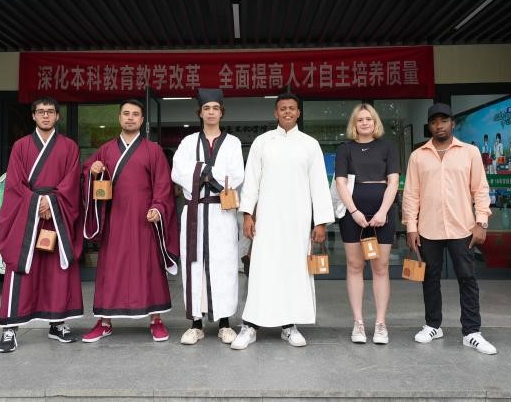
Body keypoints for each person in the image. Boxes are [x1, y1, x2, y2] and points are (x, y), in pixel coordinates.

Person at [231, 92, 334, 350]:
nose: (287, 112)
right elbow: (251, 181)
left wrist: (320, 222)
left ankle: (289, 326)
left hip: (298, 221)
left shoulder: (310, 145)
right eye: (282, 108)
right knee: (262, 270)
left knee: (293, 270)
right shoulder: (262, 142)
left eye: (291, 108)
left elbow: (319, 185)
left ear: (298, 113)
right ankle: (250, 325)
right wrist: (247, 214)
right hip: (266, 220)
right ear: (275, 113)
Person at [81, 99, 179, 343]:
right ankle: (104, 322)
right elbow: (87, 174)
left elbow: (163, 185)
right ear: (119, 118)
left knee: (149, 268)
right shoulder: (105, 150)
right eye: (126, 113)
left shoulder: (153, 150)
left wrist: (158, 207)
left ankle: (156, 320)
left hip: (144, 220)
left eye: (135, 114)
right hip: (114, 220)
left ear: (142, 120)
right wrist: (92, 171)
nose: (130, 118)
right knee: (110, 270)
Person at [402, 102, 496, 355]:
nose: (439, 126)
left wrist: (481, 222)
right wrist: (411, 227)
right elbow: (411, 194)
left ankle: (472, 332)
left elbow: (480, 189)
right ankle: (433, 325)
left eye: (444, 121)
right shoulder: (418, 156)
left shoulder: (470, 152)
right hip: (428, 228)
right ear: (429, 126)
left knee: (467, 278)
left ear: (453, 123)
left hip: (462, 227)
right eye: (434, 122)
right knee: (429, 279)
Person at [0, 97, 83, 353]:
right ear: (33, 116)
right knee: (21, 268)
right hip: (26, 216)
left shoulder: (69, 147)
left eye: (50, 111)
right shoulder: (21, 146)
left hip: (57, 215)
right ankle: (10, 328)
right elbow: (15, 183)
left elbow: (71, 182)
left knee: (57, 269)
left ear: (58, 116)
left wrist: (51, 202)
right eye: (41, 111)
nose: (46, 115)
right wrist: (37, 203)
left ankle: (58, 323)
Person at [171, 89, 245, 345]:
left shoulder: (233, 143)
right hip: (194, 210)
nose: (211, 112)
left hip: (221, 211)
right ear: (200, 113)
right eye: (206, 108)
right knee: (194, 264)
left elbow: (236, 174)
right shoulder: (188, 142)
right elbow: (177, 171)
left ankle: (225, 323)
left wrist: (204, 173)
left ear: (221, 112)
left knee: (224, 264)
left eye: (215, 108)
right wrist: (208, 172)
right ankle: (196, 323)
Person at [334, 104, 399, 345]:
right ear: (354, 123)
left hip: (383, 213)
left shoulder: (387, 147)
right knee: (354, 266)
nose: (364, 123)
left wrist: (382, 211)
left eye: (368, 119)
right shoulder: (345, 149)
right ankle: (358, 323)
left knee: (380, 267)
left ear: (375, 122)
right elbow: (340, 183)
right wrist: (353, 211)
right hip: (353, 214)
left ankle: (380, 323)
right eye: (360, 119)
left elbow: (393, 182)